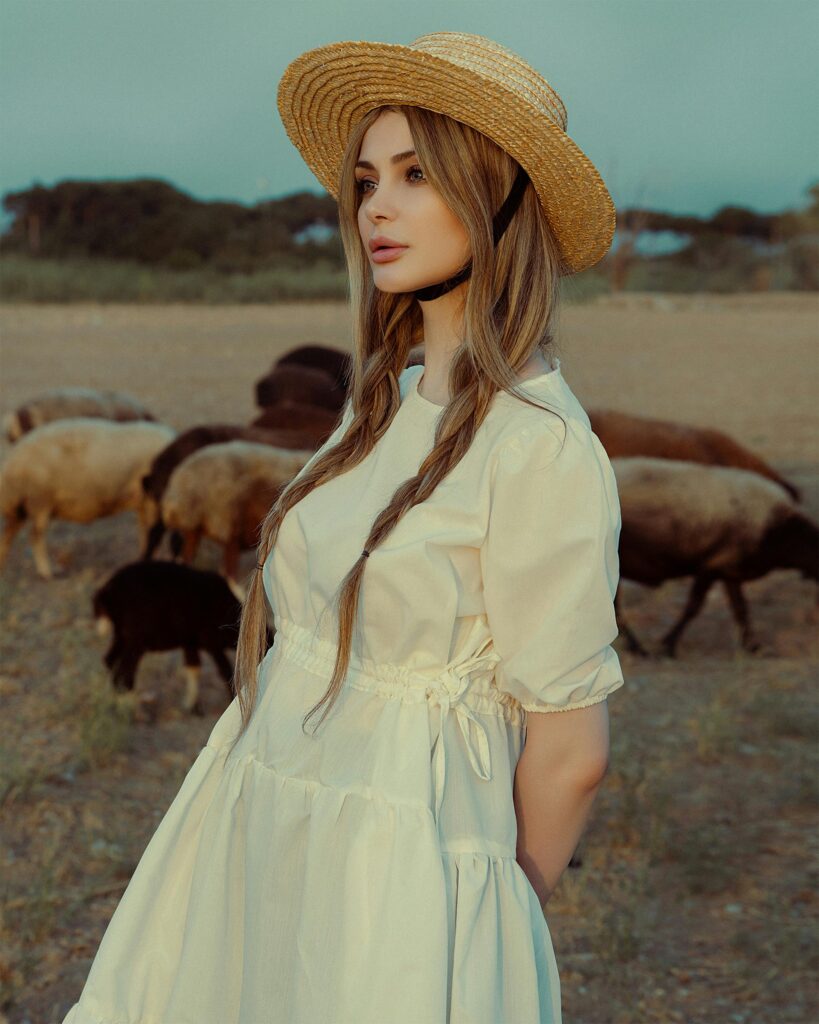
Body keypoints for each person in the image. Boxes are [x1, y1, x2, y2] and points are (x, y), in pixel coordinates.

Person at [63, 30, 624, 1024]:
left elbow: (571, 748)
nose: (377, 206)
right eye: (366, 179)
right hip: (267, 803)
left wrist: (477, 913)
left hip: (397, 868)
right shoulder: (389, 398)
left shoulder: (537, 445)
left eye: (416, 175)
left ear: (501, 198)